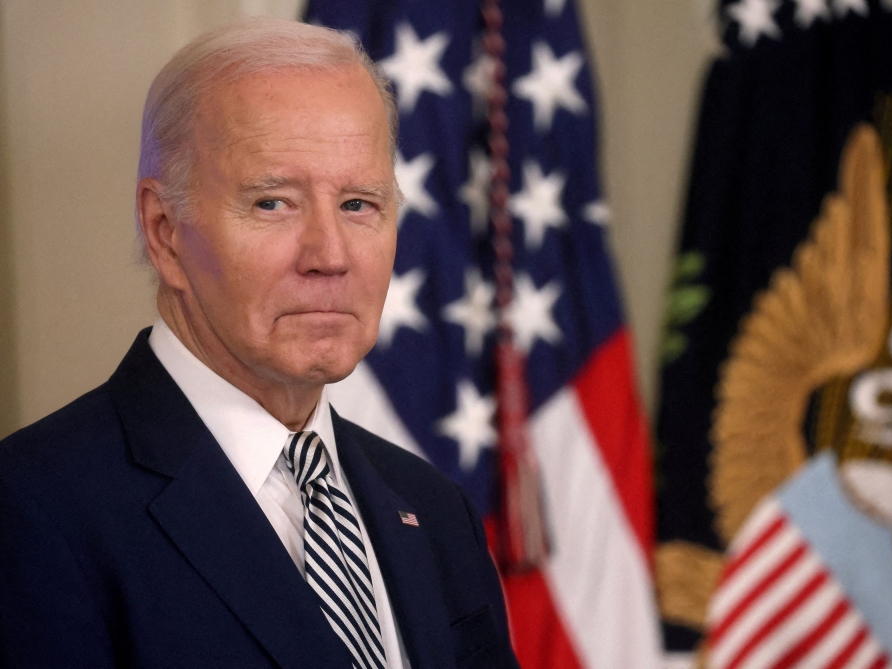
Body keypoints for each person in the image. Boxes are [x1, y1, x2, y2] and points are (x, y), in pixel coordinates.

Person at [0, 18, 517, 669]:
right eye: (273, 203)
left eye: (359, 204)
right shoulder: (32, 510)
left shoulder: (435, 510)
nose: (330, 256)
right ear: (164, 232)